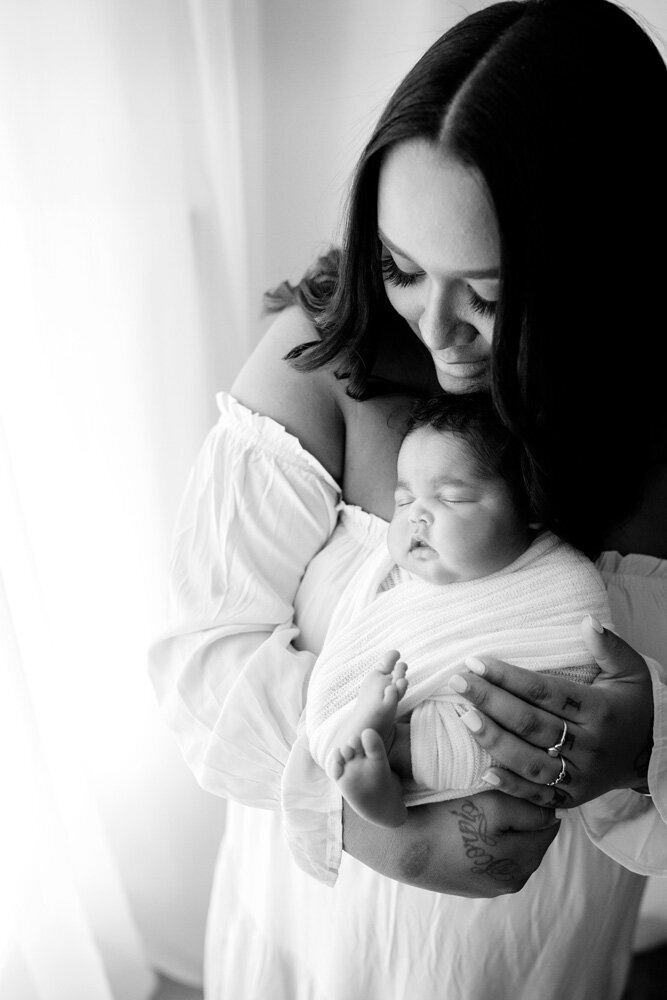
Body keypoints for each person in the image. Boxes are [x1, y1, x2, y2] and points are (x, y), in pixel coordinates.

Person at [148, 1, 667, 997]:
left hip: (540, 964)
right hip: (310, 944)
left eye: (489, 286)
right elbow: (200, 658)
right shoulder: (324, 368)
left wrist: (646, 747)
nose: (438, 329)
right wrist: (375, 827)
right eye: (403, 267)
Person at [306, 392, 612, 829]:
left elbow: (574, 665)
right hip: (401, 699)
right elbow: (371, 631)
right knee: (378, 697)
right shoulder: (399, 575)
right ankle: (371, 757)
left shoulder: (560, 581)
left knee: (481, 740)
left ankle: (382, 759)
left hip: (488, 739)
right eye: (404, 500)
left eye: (451, 499)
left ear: (531, 507)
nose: (416, 518)